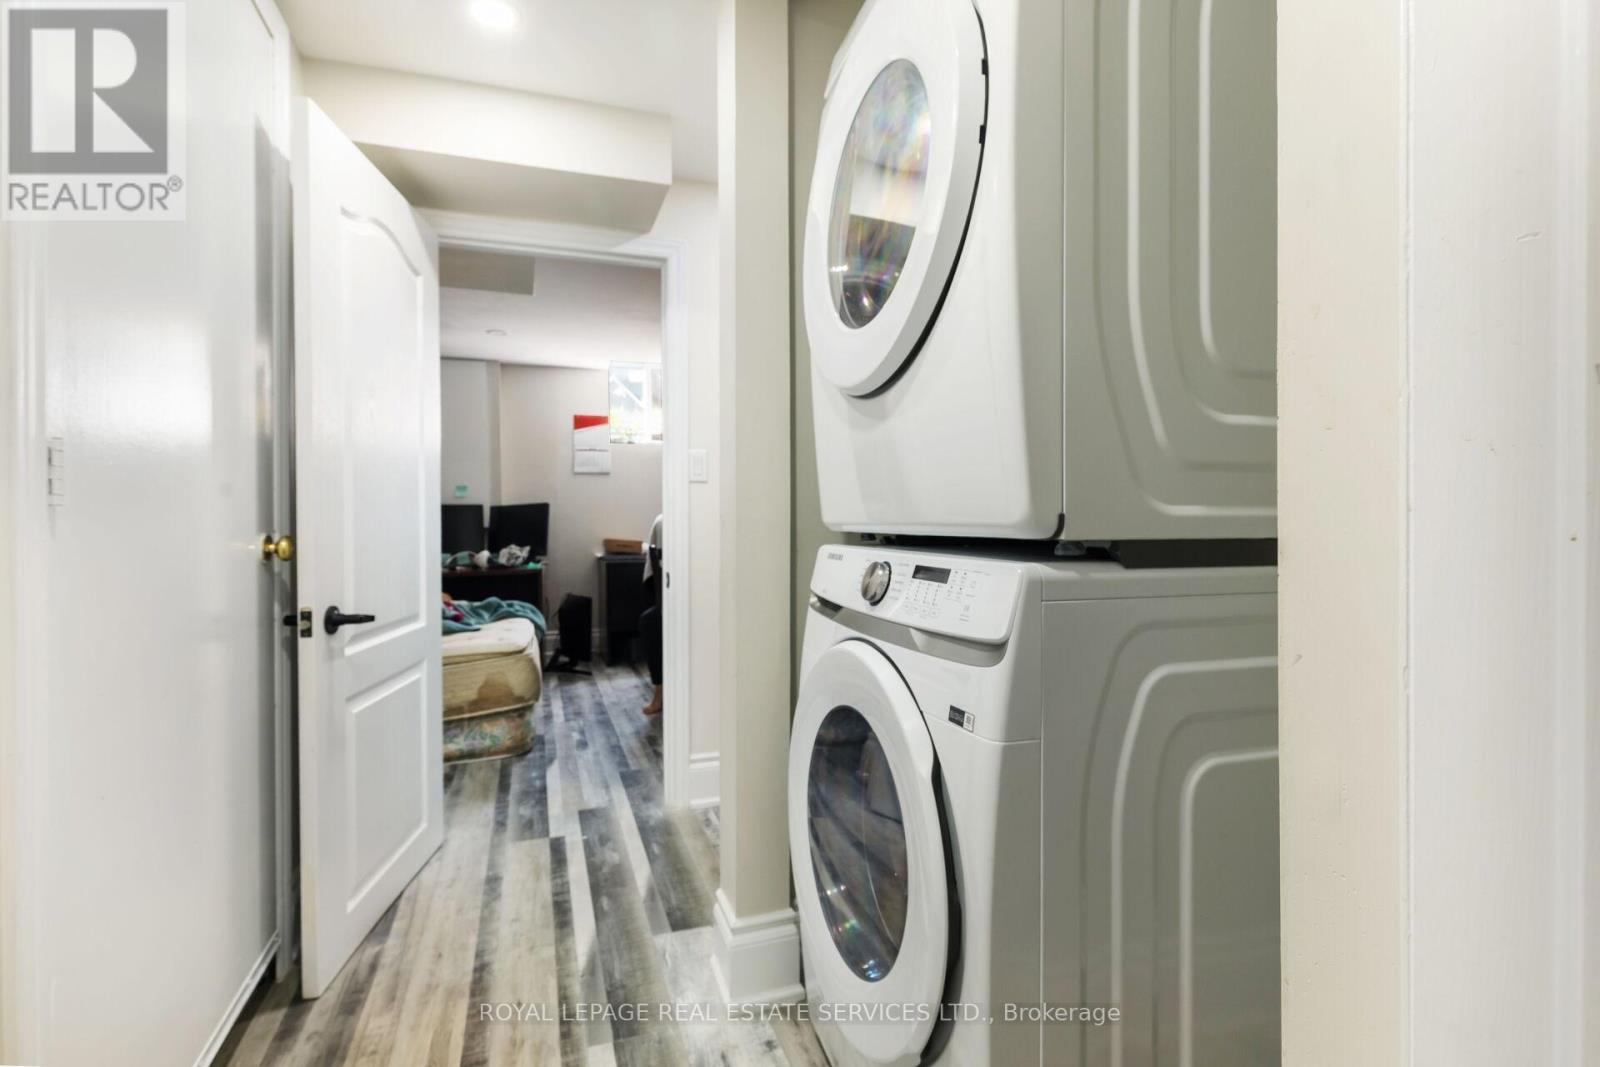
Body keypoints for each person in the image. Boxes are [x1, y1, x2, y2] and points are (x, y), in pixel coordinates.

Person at [639, 513, 664, 715]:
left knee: (650, 622)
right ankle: (660, 692)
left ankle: (659, 695)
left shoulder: (662, 522)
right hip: (667, 599)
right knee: (651, 621)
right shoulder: (662, 522)